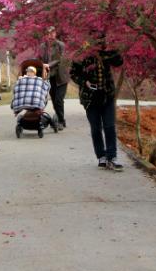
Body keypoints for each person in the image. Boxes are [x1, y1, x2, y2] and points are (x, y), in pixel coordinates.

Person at [70, 41, 124, 171]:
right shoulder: (81, 54)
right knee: (96, 128)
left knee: (110, 126)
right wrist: (84, 82)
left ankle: (112, 157)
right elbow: (73, 74)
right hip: (90, 98)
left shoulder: (106, 52)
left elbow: (118, 62)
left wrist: (113, 49)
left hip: (107, 95)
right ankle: (101, 156)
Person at [38, 26, 70, 129]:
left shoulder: (61, 45)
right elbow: (39, 58)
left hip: (61, 77)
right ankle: (61, 120)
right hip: (49, 77)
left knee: (58, 100)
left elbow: (60, 58)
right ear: (46, 35)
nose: (50, 35)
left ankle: (60, 121)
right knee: (54, 100)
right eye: (48, 33)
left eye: (52, 33)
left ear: (55, 34)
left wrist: (49, 65)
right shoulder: (43, 46)